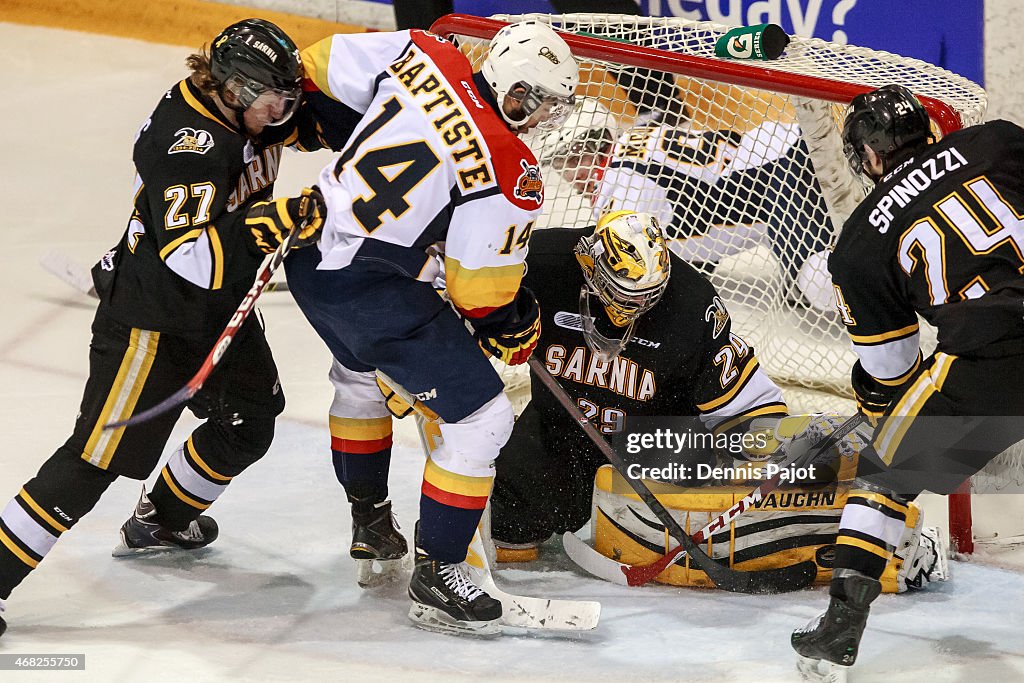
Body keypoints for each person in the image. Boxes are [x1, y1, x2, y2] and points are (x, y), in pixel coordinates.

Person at [0, 18, 328, 638]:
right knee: (93, 460)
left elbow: (317, 120)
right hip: (151, 322)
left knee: (250, 420)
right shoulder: (190, 146)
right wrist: (273, 220)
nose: (284, 113)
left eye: (289, 99)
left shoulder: (252, 109)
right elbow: (192, 259)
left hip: (216, 311)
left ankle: (164, 517)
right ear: (232, 89)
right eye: (272, 101)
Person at [285, 20, 578, 635]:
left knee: (358, 377)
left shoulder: (421, 49)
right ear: (513, 87)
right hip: (375, 290)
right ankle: (440, 571)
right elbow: (478, 290)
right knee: (484, 417)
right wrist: (513, 322)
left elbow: (312, 63)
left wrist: (359, 137)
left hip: (309, 258)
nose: (544, 115)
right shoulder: (509, 161)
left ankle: (369, 520)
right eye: (541, 100)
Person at [488, 210, 945, 594]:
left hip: (660, 446)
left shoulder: (690, 304)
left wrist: (766, 467)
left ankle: (871, 534)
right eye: (623, 294)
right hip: (558, 431)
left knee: (753, 512)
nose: (630, 310)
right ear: (589, 267)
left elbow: (754, 408)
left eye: (646, 298)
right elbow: (463, 302)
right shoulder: (538, 265)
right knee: (507, 533)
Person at [791, 84, 1024, 681]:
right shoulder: (996, 140)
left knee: (884, 479)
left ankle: (841, 628)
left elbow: (892, 368)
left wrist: (876, 400)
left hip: (990, 367)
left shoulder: (862, 240)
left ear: (867, 158)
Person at [539, 97, 835, 304]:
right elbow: (694, 215)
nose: (570, 174)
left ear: (598, 144)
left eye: (574, 158)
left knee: (819, 285)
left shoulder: (624, 184)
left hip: (787, 178)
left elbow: (625, 269)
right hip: (787, 152)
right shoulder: (633, 140)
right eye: (563, 164)